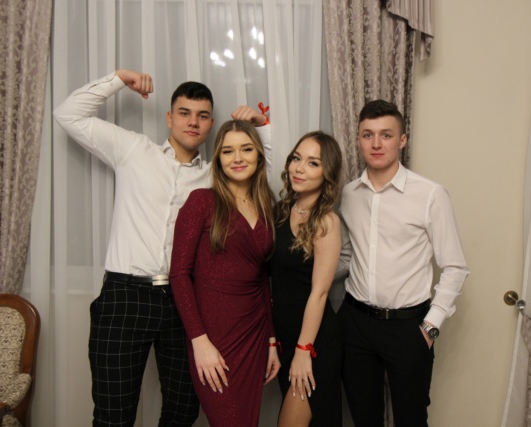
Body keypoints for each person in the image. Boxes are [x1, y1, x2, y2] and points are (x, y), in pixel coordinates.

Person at [53, 69, 271, 427]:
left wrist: (261, 126)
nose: (193, 122)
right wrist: (118, 78)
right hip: (125, 296)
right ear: (169, 118)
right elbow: (68, 114)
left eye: (202, 116)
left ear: (211, 124)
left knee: (183, 412)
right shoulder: (133, 150)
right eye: (184, 113)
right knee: (113, 416)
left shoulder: (217, 178)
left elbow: (262, 169)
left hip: (183, 303)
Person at [338, 100, 470, 427]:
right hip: (355, 324)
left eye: (386, 135)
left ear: (402, 140)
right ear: (358, 140)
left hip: (408, 328)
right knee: (363, 418)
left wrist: (431, 326)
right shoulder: (348, 195)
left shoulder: (430, 194)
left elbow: (455, 266)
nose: (376, 143)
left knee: (411, 419)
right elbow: (346, 256)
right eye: (367, 135)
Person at [169, 120, 281, 427]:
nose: (238, 158)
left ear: (258, 155)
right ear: (218, 158)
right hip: (213, 337)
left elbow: (263, 279)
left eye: (246, 149)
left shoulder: (267, 206)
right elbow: (179, 274)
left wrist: (271, 340)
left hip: (254, 333)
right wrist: (199, 341)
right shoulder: (201, 202)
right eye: (228, 151)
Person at [270, 131, 344, 427]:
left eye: (313, 163)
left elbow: (320, 293)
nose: (299, 168)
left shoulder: (326, 221)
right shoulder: (280, 212)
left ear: (328, 174)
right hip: (285, 337)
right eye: (296, 158)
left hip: (314, 342)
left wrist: (304, 351)